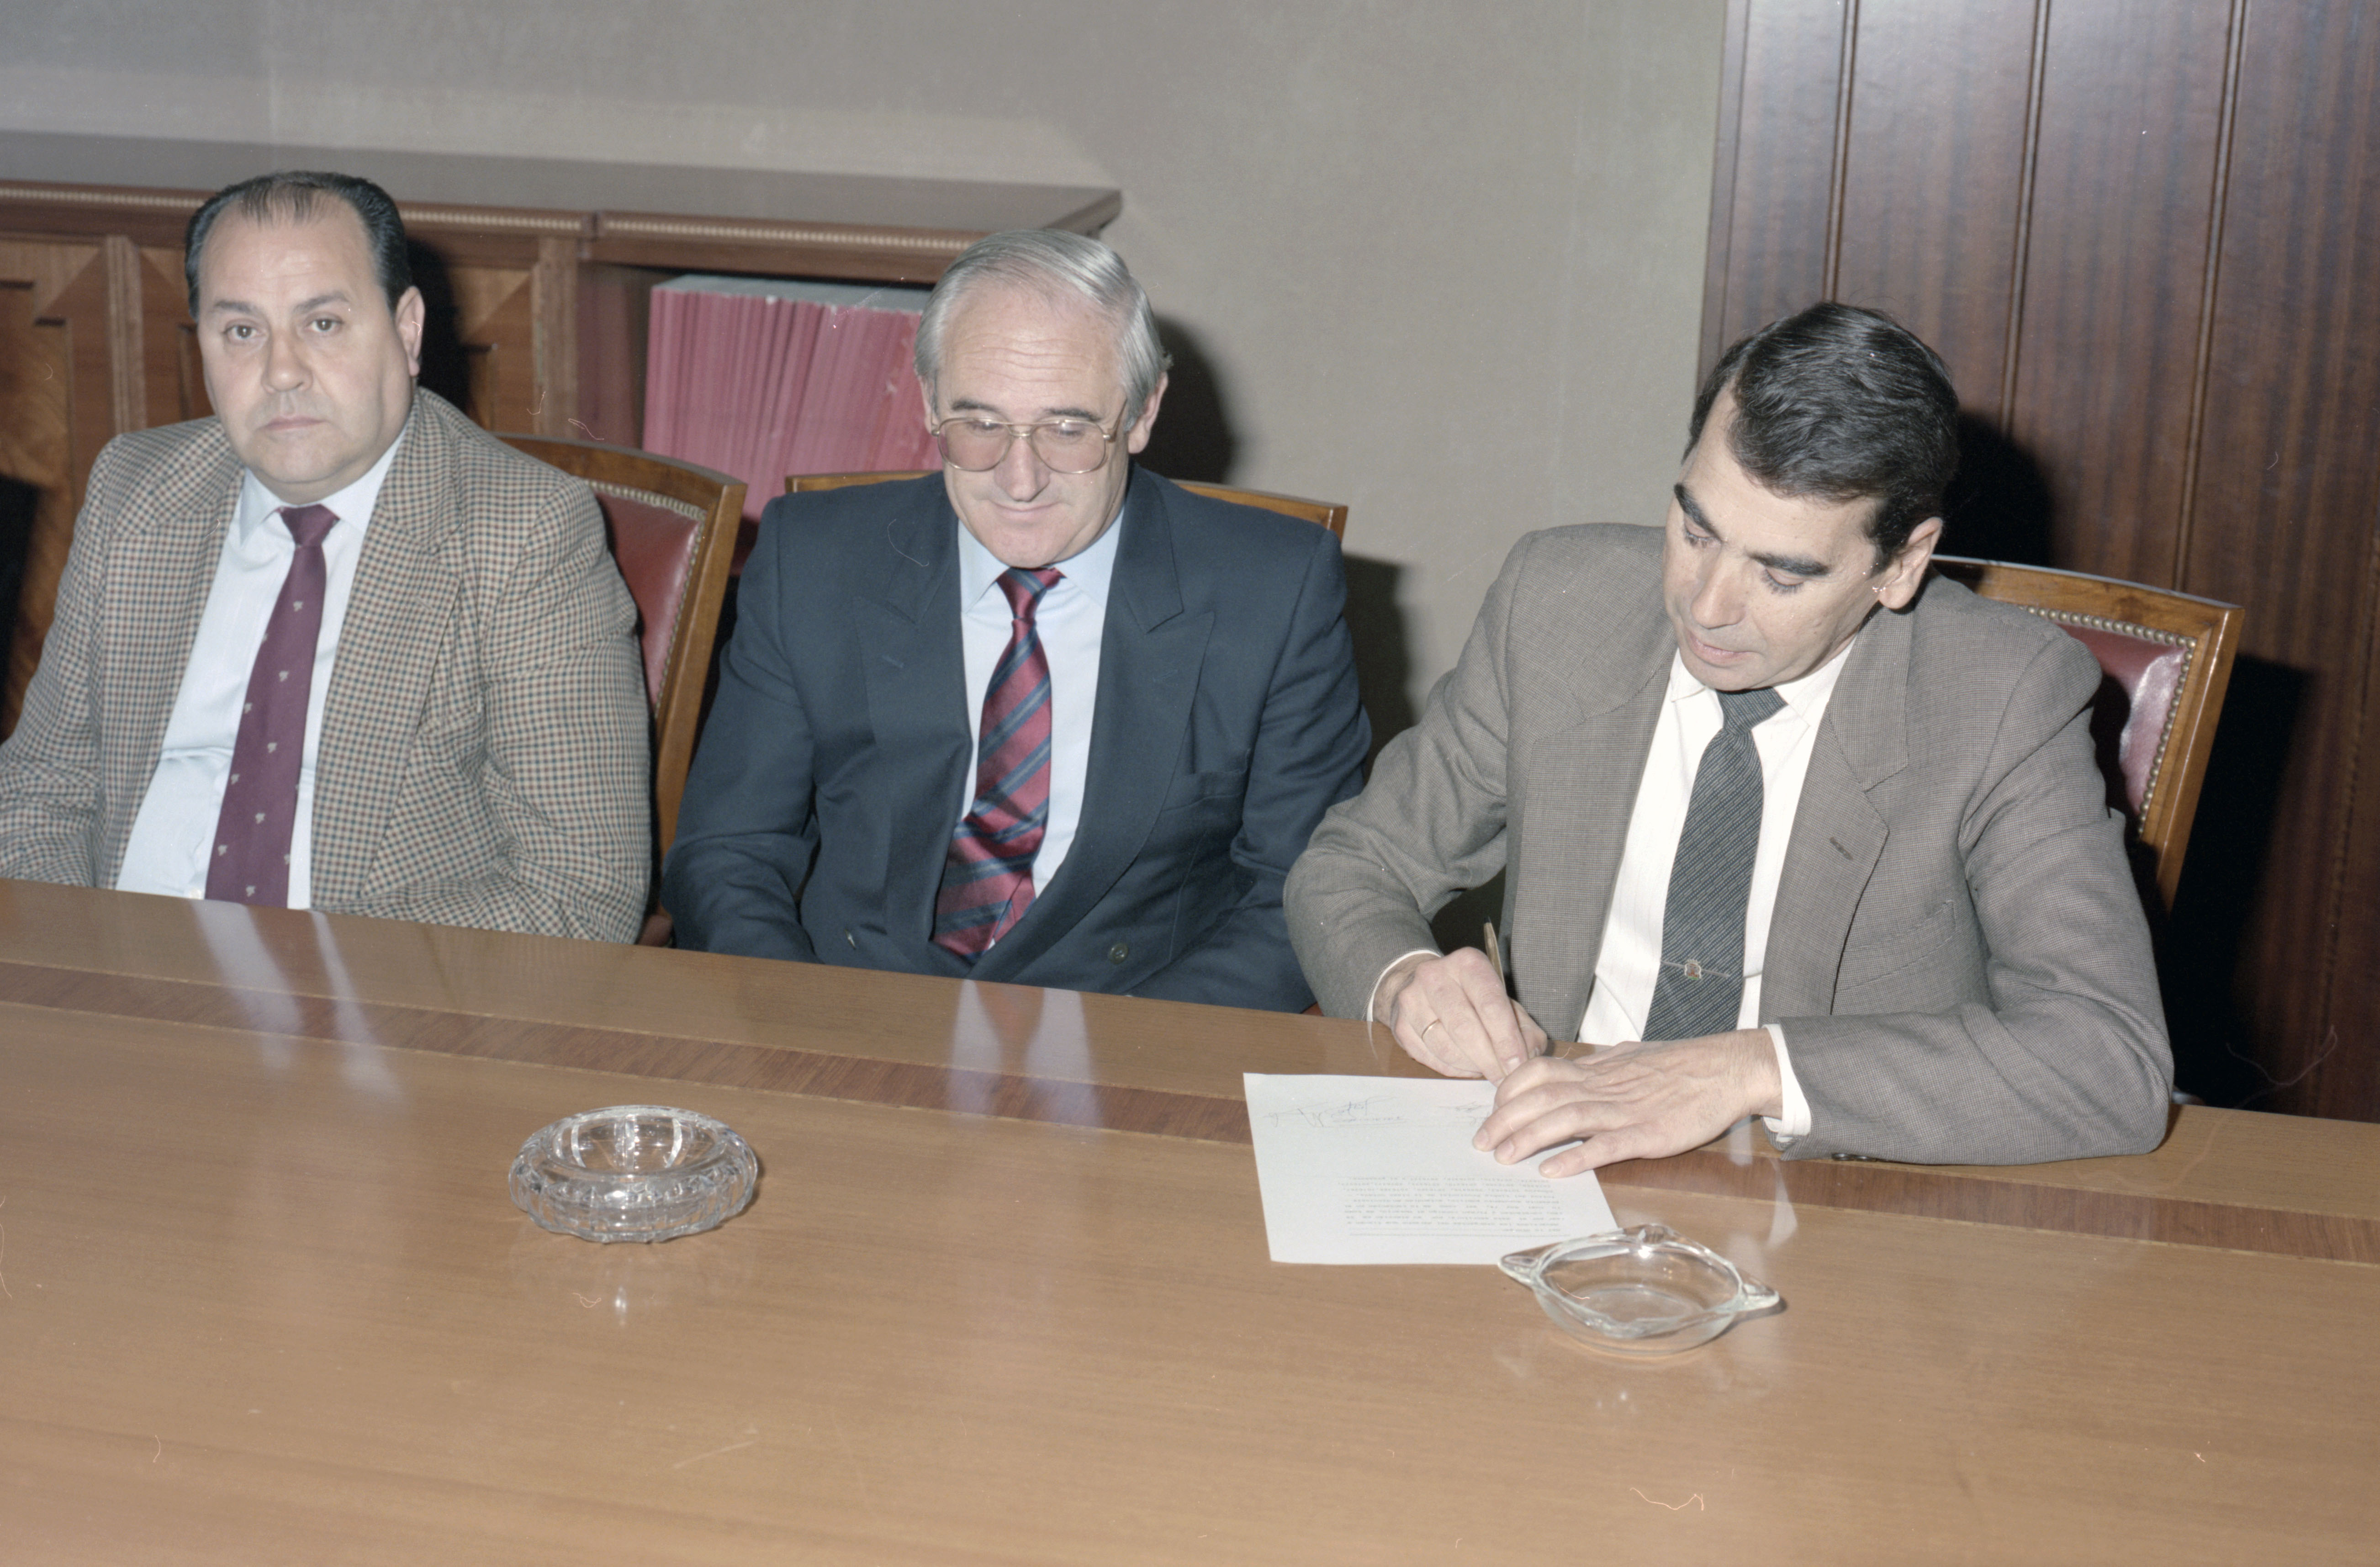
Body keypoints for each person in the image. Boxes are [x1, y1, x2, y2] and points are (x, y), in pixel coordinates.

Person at [1285, 302, 2173, 1167]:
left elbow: (2108, 1059)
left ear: (1901, 564)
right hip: (1544, 1153)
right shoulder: (1555, 605)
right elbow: (1353, 864)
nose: (1706, 605)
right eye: (1695, 530)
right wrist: (1405, 977)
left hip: (1831, 1187)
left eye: (1781, 575)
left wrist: (1747, 1069)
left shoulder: (2001, 695)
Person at [662, 228, 1369, 1008]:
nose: (1020, 479)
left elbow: (1297, 893)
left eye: (1067, 429)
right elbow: (729, 852)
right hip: (852, 1010)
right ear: (928, 402)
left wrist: (1129, 1058)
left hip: (1126, 1024)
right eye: (980, 424)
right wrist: (801, 1032)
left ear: (1141, 413)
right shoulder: (813, 557)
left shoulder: (1273, 589)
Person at [0, 170, 650, 940]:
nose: (282, 372)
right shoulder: (138, 491)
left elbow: (580, 890)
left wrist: (305, 975)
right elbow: (39, 792)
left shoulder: (523, 533)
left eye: (324, 323)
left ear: (407, 331)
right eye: (242, 332)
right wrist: (79, 964)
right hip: (114, 966)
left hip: (367, 989)